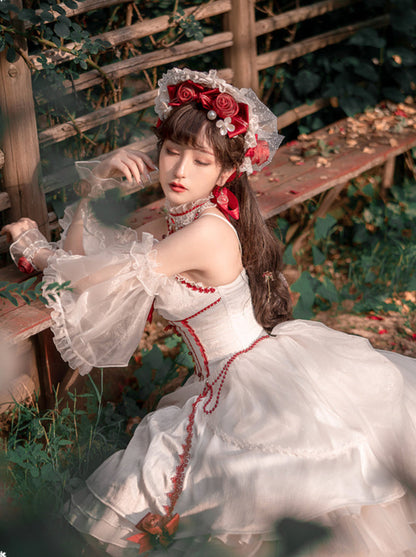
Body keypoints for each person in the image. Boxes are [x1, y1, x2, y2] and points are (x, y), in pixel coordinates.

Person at [2, 68, 416, 557]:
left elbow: (86, 276)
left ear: (224, 174)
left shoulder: (206, 232)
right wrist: (96, 185)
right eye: (173, 151)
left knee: (260, 491)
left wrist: (35, 247)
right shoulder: (181, 217)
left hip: (249, 380)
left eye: (200, 161)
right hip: (224, 377)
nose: (180, 171)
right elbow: (89, 262)